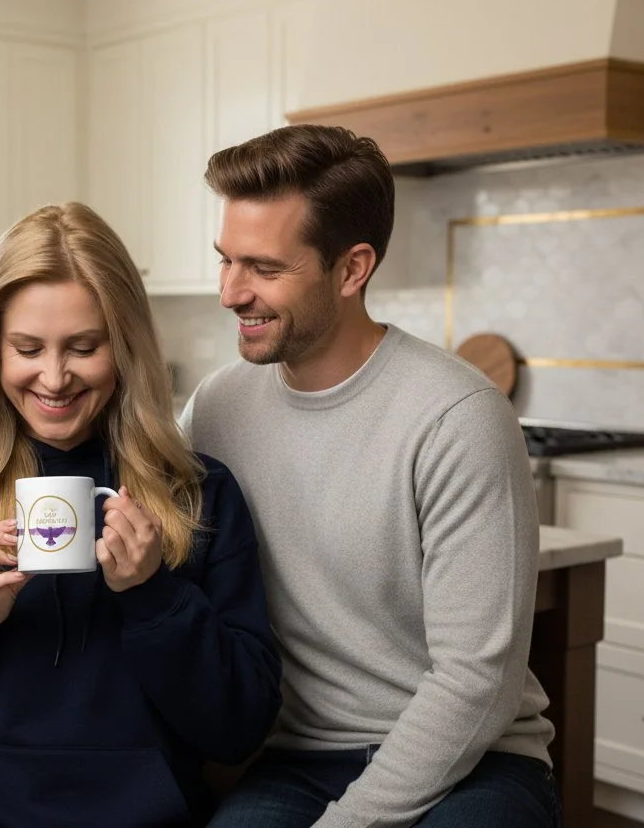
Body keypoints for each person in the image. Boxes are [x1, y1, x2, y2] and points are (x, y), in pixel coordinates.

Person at [0, 202, 282, 827]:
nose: (53, 376)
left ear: (125, 346)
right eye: (27, 347)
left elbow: (240, 729)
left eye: (83, 347)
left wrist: (154, 599)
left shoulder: (200, 496)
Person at [182, 125, 559, 828]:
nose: (231, 292)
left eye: (263, 268)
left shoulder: (458, 415)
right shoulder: (215, 409)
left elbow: (476, 682)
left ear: (352, 269)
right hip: (297, 761)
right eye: (225, 260)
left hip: (475, 762)